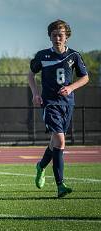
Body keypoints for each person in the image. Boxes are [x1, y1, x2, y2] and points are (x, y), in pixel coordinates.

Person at [28, 19, 89, 197]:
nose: (57, 38)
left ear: (66, 37)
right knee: (61, 142)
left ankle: (40, 166)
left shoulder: (74, 56)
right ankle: (60, 185)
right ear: (50, 37)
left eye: (60, 35)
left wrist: (70, 88)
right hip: (50, 104)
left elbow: (85, 78)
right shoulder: (42, 55)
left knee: (55, 143)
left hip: (67, 104)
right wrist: (35, 94)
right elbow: (31, 74)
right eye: (54, 35)